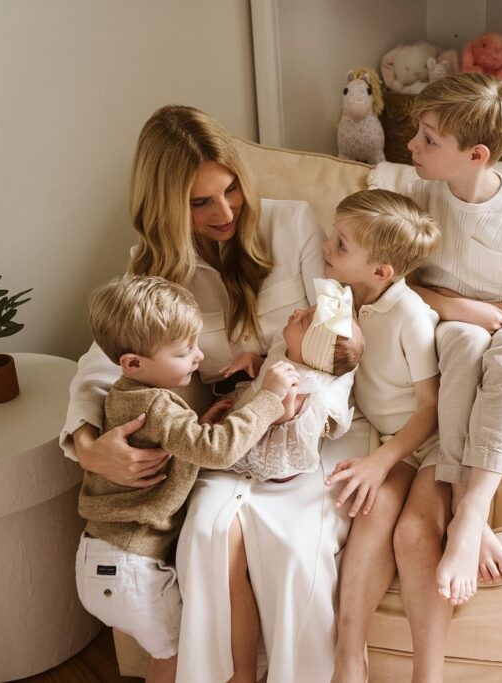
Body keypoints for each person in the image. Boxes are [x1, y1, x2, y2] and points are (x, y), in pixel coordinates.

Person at [59, 105, 367, 683]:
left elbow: (337, 334)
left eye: (231, 190)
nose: (225, 212)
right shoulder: (149, 268)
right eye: (201, 202)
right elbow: (99, 366)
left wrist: (306, 407)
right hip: (219, 439)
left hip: (304, 434)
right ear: (166, 206)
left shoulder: (291, 223)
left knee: (292, 553)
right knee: (206, 536)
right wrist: (87, 444)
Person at [378, 72, 502, 681]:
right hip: (453, 324)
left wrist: (497, 316)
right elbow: (398, 275)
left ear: (477, 155)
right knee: (459, 341)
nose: (412, 145)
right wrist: (458, 307)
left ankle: (470, 509)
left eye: (428, 138)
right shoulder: (420, 193)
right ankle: (471, 514)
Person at [75, 275, 297, 683]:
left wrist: (197, 427)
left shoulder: (124, 395)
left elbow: (182, 444)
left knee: (171, 654)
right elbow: (219, 450)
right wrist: (269, 397)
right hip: (131, 567)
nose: (198, 357)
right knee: (184, 655)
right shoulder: (158, 404)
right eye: (183, 351)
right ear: (133, 363)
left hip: (101, 558)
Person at [318, 190, 441, 683]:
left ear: (381, 271)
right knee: (371, 514)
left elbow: (431, 412)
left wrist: (381, 462)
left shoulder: (410, 316)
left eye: (341, 244)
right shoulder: (340, 298)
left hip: (426, 444)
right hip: (386, 438)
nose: (327, 246)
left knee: (407, 529)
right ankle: (351, 659)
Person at [221, 278, 364, 483]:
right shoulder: (286, 347)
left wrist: (286, 399)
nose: (297, 312)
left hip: (273, 425)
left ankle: (278, 473)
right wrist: (254, 360)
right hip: (262, 402)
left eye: (303, 321)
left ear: (309, 350)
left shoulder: (302, 380)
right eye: (306, 312)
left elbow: (282, 418)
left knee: (254, 452)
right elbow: (271, 363)